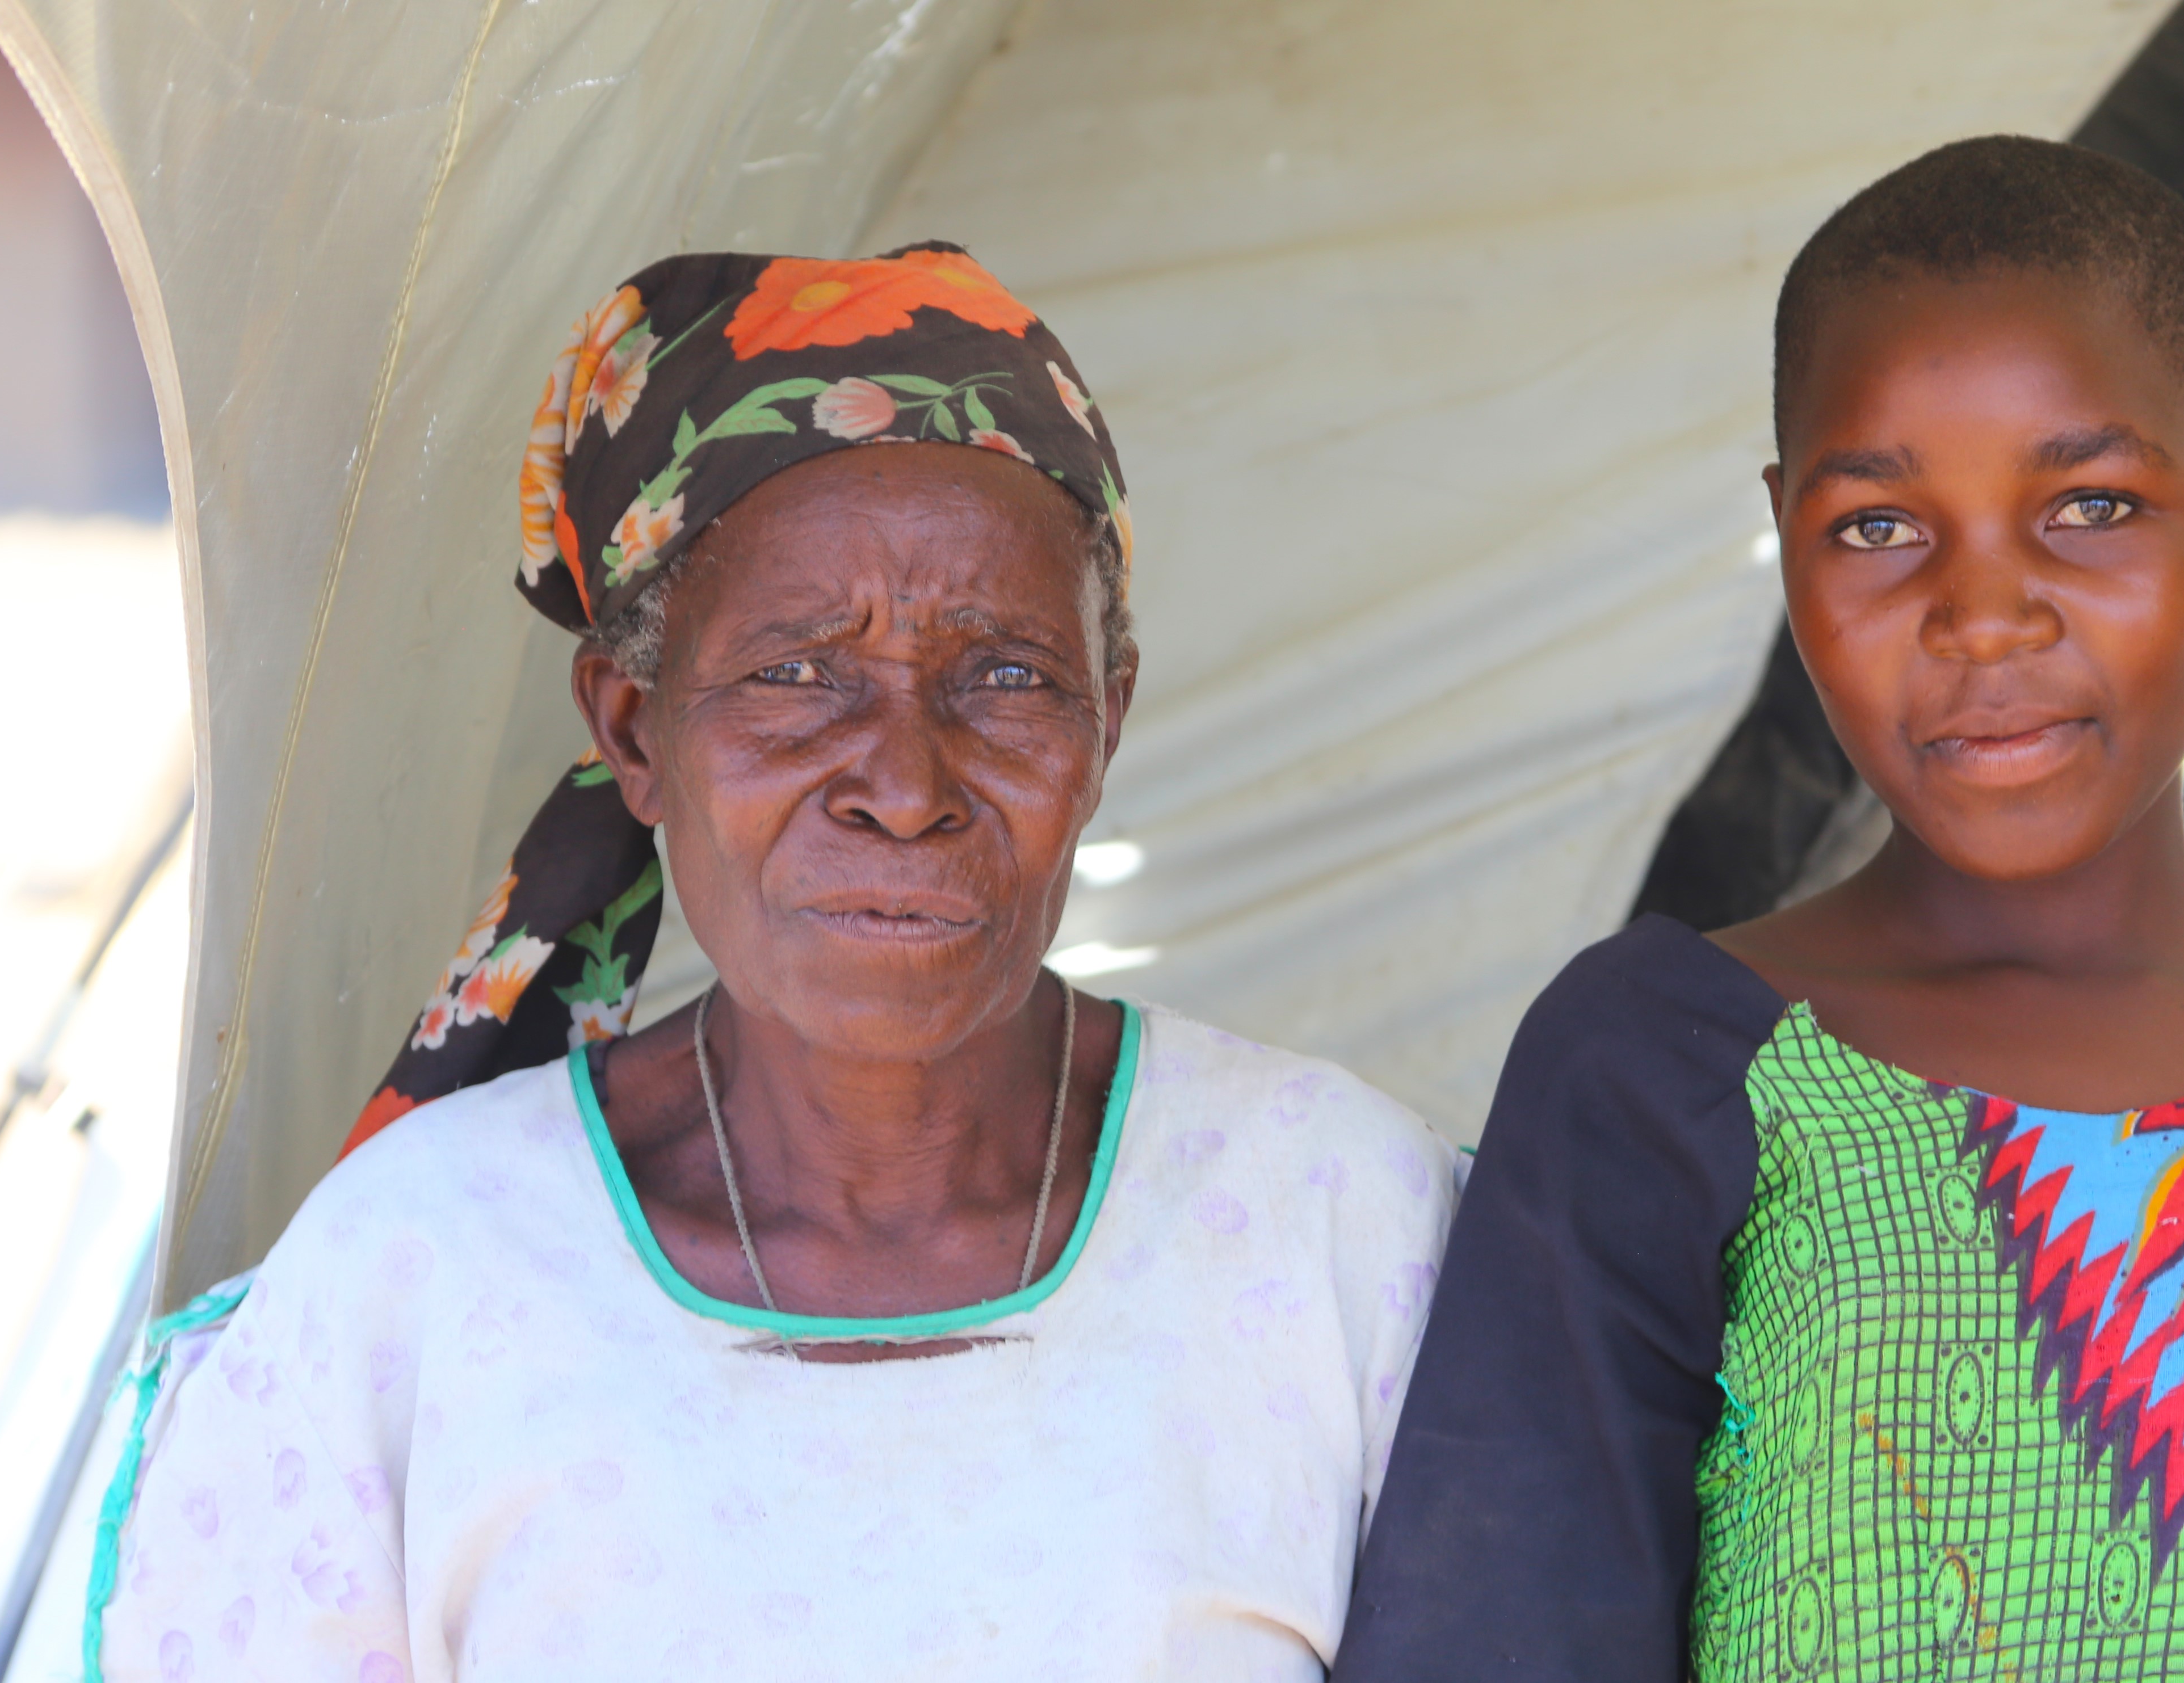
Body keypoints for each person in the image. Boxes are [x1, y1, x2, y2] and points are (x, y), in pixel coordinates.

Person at [1334, 138, 2184, 1682]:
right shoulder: (1660, 1069)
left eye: (2088, 505)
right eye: (1876, 525)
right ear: (1785, 539)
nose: (1982, 613)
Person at [86, 244, 1459, 1682]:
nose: (905, 782)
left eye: (1005, 676)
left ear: (1104, 722)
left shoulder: (1345, 1222)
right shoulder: (410, 1280)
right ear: (633, 728)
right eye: (796, 674)